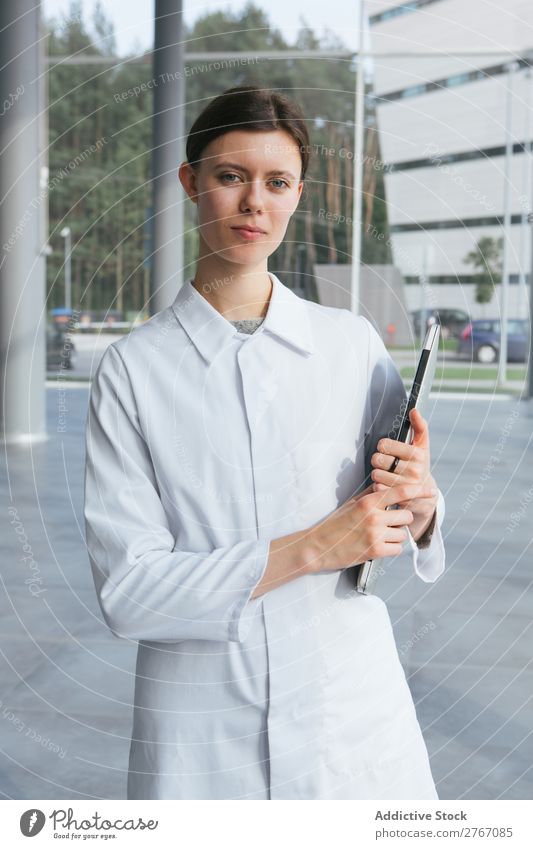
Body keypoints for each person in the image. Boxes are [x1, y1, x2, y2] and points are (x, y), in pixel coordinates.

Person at [84, 85, 445, 800]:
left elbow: (393, 516)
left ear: (297, 194)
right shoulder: (133, 371)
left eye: (276, 182)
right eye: (230, 176)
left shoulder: (351, 344)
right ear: (190, 183)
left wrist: (417, 502)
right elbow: (128, 592)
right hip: (203, 736)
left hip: (352, 718)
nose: (255, 201)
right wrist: (313, 546)